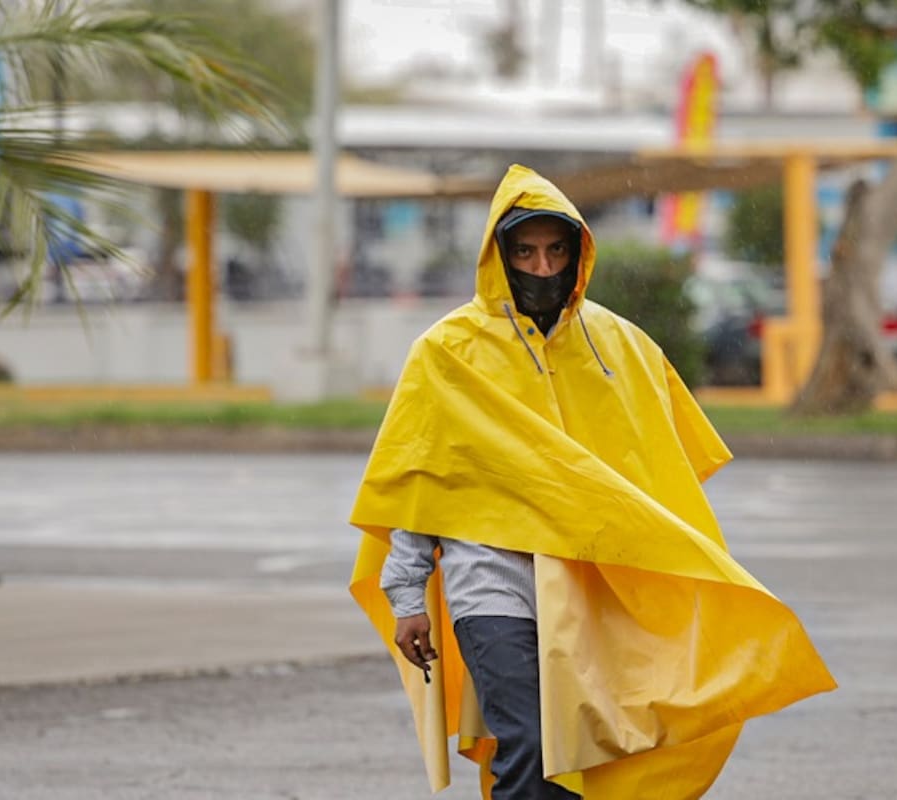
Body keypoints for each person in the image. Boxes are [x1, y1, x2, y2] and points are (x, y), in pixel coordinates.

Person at [349, 165, 835, 800]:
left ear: (578, 254)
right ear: (499, 255)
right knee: (526, 741)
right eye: (524, 251)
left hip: (592, 583)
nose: (542, 268)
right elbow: (418, 478)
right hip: (488, 579)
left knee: (585, 751)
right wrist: (408, 595)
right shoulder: (446, 352)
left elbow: (661, 476)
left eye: (556, 251)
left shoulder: (621, 347)